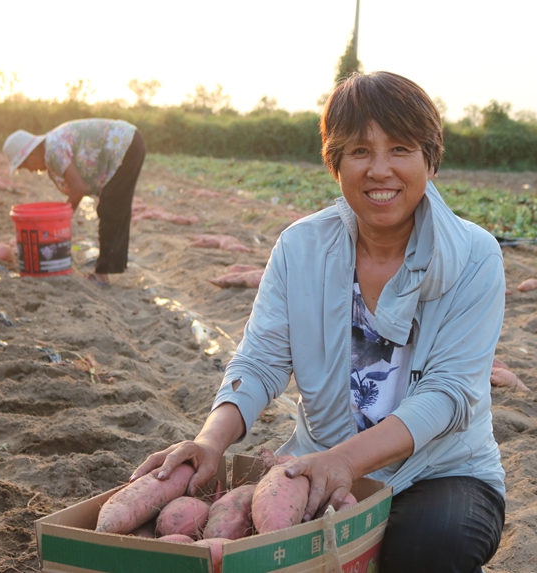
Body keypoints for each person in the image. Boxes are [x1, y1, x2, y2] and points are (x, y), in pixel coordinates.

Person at [132, 71, 506, 572]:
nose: (379, 170)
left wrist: (346, 462)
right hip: (319, 464)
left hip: (440, 472)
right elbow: (262, 359)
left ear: (429, 159)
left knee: (429, 548)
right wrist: (209, 441)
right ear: (334, 163)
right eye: (358, 152)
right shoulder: (301, 247)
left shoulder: (473, 256)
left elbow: (448, 394)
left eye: (399, 149)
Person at [2, 118, 146, 287]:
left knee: (111, 209)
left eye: (25, 166)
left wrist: (59, 221)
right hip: (128, 143)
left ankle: (101, 276)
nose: (31, 171)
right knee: (113, 207)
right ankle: (109, 268)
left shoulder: (53, 150)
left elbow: (79, 187)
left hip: (125, 144)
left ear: (31, 154)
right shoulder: (52, 151)